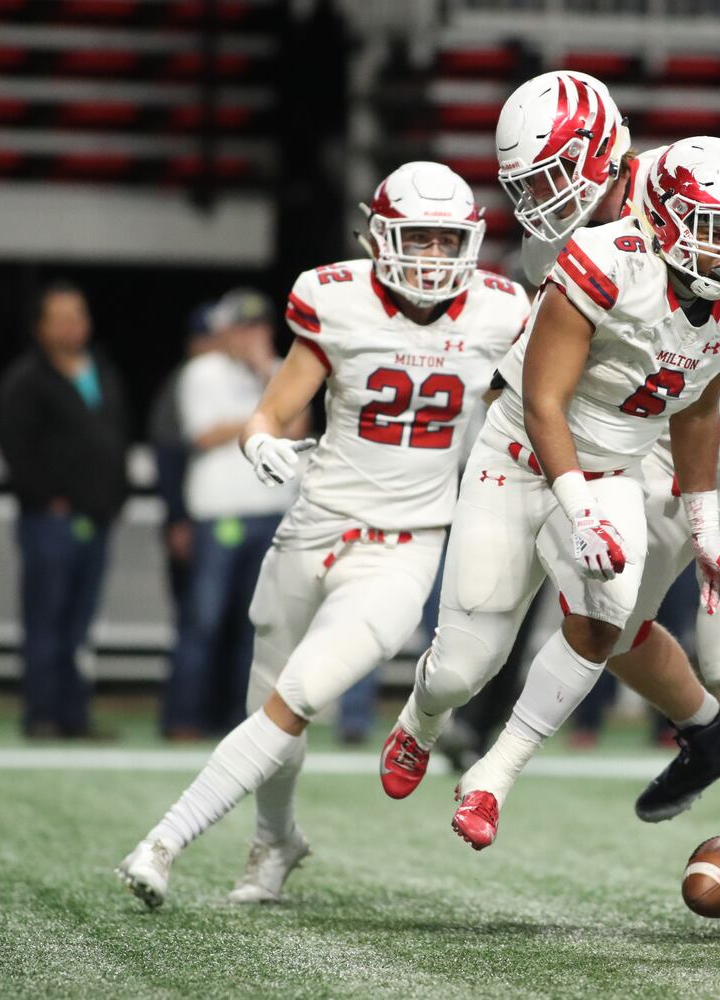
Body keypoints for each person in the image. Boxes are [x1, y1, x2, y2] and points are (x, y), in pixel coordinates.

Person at [385, 137, 720, 942]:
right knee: (604, 625)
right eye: (531, 184)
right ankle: (707, 732)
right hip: (637, 435)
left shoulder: (709, 223)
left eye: (563, 177)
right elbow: (572, 398)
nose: (551, 198)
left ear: (617, 162)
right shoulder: (604, 256)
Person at [116, 162, 531, 909]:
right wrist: (259, 442)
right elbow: (269, 413)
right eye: (418, 239)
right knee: (269, 711)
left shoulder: (501, 312)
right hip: (313, 527)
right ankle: (277, 843)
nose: (434, 258)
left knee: (299, 696)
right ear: (379, 237)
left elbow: (525, 412)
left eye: (446, 240)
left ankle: (164, 842)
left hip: (405, 546)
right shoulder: (333, 299)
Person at [162, 288, 300, 739]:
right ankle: (184, 717)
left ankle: (241, 720)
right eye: (242, 328)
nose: (251, 336)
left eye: (258, 327)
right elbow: (203, 434)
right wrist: (263, 419)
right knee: (204, 620)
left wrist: (264, 377)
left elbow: (298, 426)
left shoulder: (279, 371)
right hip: (218, 514)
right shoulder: (202, 371)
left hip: (272, 515)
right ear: (223, 332)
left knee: (258, 624)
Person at [0, 281, 130, 739]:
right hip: (50, 521)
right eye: (64, 317)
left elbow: (115, 438)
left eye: (81, 314)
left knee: (81, 624)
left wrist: (114, 498)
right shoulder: (25, 381)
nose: (76, 325)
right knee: (47, 619)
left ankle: (74, 715)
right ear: (40, 328)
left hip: (97, 517)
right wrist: (48, 500)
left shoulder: (101, 370)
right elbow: (16, 450)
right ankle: (42, 716)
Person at [148, 303, 218, 623]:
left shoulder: (239, 379)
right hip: (193, 520)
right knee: (197, 619)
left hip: (230, 517)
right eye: (206, 339)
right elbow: (168, 455)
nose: (213, 347)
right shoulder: (182, 383)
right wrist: (177, 519)